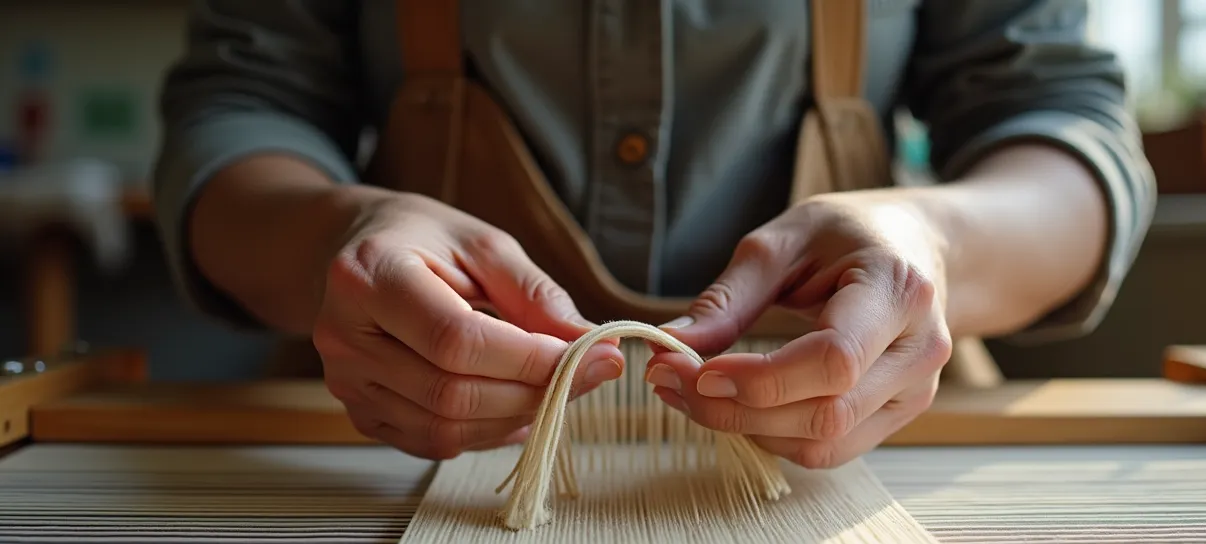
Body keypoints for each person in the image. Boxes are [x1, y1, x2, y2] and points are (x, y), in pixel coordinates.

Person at [152, 1, 1155, 469]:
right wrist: (336, 231)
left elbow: (1062, 121)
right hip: (397, 461)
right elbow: (241, 106)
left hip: (869, 462)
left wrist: (935, 242)